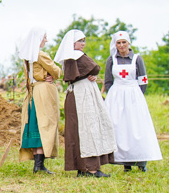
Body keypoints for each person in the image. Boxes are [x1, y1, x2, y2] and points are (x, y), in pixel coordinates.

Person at [55, 29, 116, 177]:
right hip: (81, 96)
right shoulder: (76, 56)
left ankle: (83, 168)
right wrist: (91, 74)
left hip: (77, 93)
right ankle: (91, 169)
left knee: (80, 130)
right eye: (80, 41)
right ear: (72, 43)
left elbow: (88, 72)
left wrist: (90, 75)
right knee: (88, 129)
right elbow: (94, 67)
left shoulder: (70, 57)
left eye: (84, 41)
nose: (83, 44)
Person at [103, 31, 162, 171]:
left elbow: (143, 80)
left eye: (124, 42)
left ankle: (141, 163)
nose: (122, 45)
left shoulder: (137, 59)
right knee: (121, 129)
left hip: (133, 96)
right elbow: (108, 81)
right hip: (117, 97)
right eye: (119, 43)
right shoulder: (112, 60)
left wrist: (137, 96)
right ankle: (125, 163)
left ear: (128, 43)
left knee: (137, 128)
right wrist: (114, 96)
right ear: (115, 44)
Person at [18, 27, 61, 174]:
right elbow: (56, 71)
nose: (46, 40)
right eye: (44, 37)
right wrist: (53, 74)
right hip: (42, 91)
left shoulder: (27, 56)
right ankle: (39, 164)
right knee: (45, 124)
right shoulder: (40, 54)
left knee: (36, 124)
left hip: (33, 91)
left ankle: (38, 164)